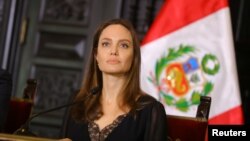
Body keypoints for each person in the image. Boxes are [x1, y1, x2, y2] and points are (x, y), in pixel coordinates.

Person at [63, 18, 167, 141]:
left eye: (124, 45)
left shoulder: (151, 110)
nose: (113, 51)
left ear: (134, 57)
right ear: (96, 55)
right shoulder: (76, 101)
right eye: (106, 44)